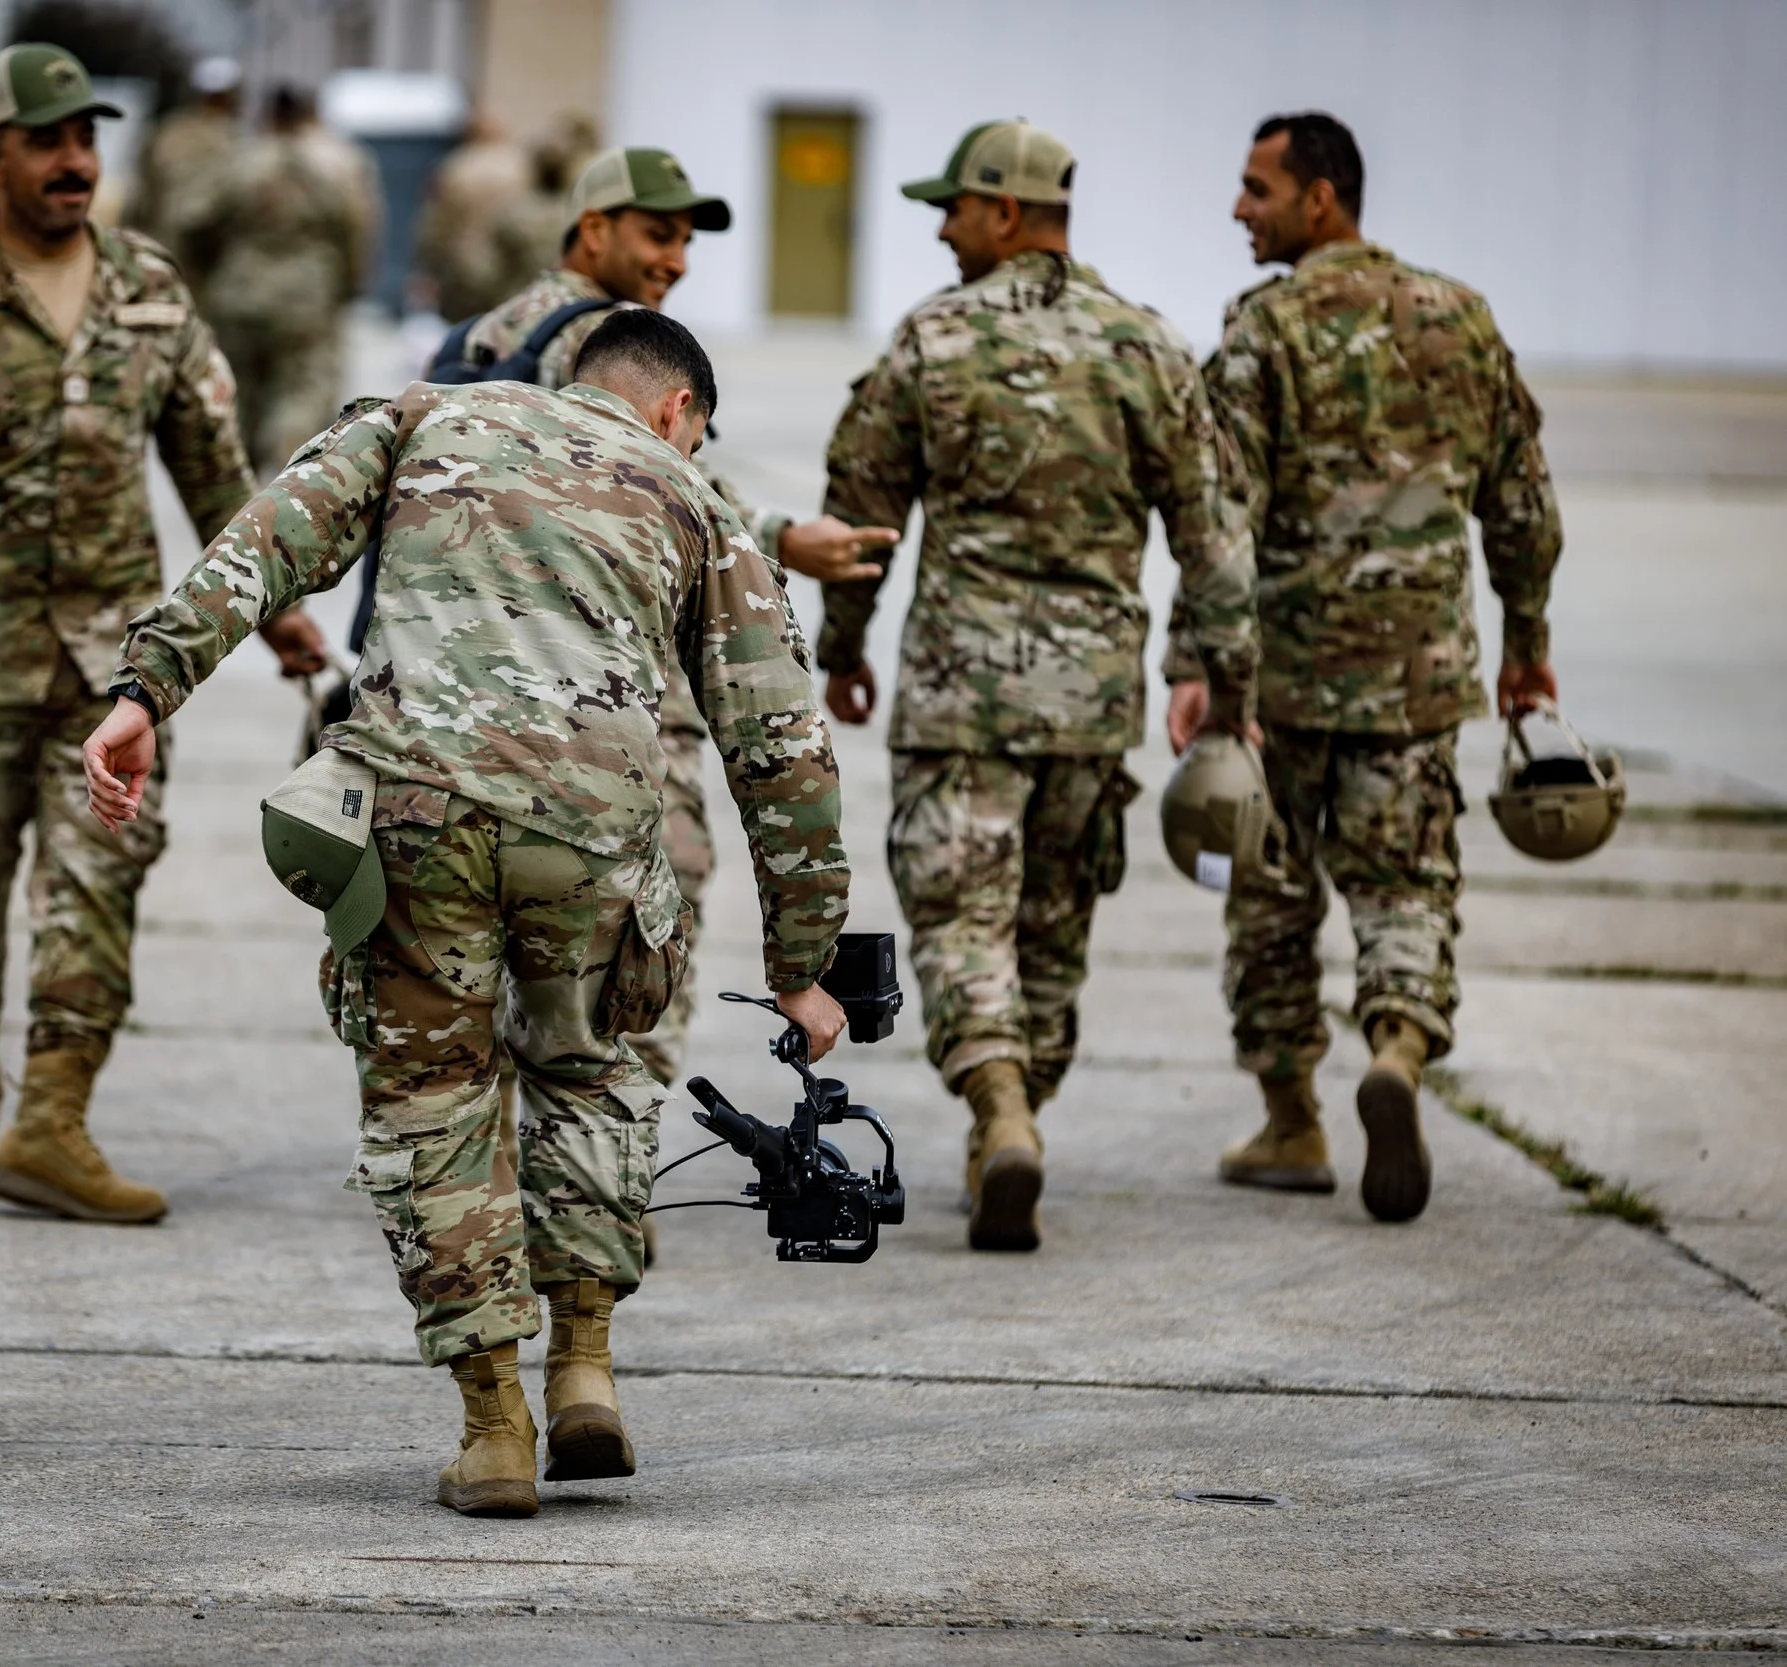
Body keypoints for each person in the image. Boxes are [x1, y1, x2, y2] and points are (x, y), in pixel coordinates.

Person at [83, 308, 851, 1517]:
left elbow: (264, 543)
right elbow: (782, 742)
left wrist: (146, 687)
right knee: (591, 1075)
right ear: (676, 412)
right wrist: (803, 961)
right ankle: (585, 1364)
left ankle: (494, 1426)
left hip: (414, 811)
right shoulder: (696, 500)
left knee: (430, 1105)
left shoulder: (424, 414)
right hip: (591, 832)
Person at [0, 42, 326, 1221]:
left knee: (99, 875)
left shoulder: (152, 291)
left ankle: (52, 1116)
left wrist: (278, 607)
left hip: (117, 667)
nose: (73, 162)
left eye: (85, 140)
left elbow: (215, 471)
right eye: (47, 141)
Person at [817, 120, 1258, 1253]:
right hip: (1089, 701)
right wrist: (1218, 680)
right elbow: (1214, 534)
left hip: (959, 697)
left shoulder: (931, 338)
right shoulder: (1145, 345)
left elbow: (863, 510)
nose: (939, 227)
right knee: (1052, 930)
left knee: (961, 919)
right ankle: (1013, 1129)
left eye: (952, 207)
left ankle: (995, 1104)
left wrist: (844, 644)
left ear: (1005, 212)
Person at [1172, 111, 1563, 1223]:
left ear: (1322, 197)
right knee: (1403, 884)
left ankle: (1292, 1117)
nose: (1239, 209)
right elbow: (1524, 508)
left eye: (1257, 189)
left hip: (1282, 682)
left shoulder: (1263, 329)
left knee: (1266, 896)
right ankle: (1394, 1046)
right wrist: (1527, 646)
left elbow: (1216, 517)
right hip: (1418, 680)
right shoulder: (1463, 317)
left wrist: (1195, 663)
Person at [448, 145, 895, 1092]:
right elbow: (665, 492)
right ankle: (612, 1171)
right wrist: (781, 540)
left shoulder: (491, 335)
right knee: (639, 946)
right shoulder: (609, 339)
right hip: (623, 695)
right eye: (660, 233)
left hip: (479, 685)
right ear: (594, 228)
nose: (678, 258)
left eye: (687, 240)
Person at [197, 85, 374, 470]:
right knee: (301, 391)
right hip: (307, 293)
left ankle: (237, 477)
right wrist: (350, 284)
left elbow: (202, 220)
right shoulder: (337, 161)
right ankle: (285, 474)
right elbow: (356, 228)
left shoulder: (242, 160)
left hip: (241, 288)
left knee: (241, 391)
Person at [123, 54, 242, 306]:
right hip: (208, 266)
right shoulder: (234, 143)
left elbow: (139, 200)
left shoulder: (166, 133)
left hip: (159, 254)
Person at [410, 112, 542, 321]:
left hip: (465, 271)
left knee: (467, 335)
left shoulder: (456, 168)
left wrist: (428, 267)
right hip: (510, 269)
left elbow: (437, 226)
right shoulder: (523, 167)